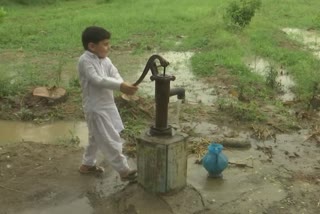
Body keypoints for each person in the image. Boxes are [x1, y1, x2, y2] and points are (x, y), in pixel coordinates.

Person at [77, 26, 138, 181]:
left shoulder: (106, 60)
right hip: (95, 108)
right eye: (105, 44)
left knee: (96, 137)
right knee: (110, 139)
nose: (108, 47)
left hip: (107, 105)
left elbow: (114, 74)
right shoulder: (85, 61)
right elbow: (97, 80)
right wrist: (120, 86)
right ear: (92, 46)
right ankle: (124, 171)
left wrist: (123, 84)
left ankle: (87, 165)